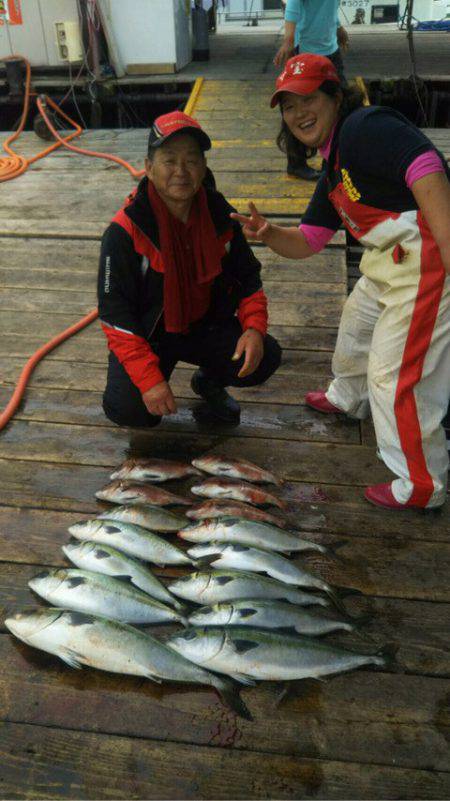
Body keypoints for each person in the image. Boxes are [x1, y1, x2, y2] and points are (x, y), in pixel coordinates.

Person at [232, 54, 450, 510]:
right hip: (390, 265)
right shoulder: (333, 167)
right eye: (289, 107)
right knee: (356, 325)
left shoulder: (364, 126)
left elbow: (426, 165)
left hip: (429, 263)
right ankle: (348, 396)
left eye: (309, 99)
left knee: (395, 378)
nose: (298, 114)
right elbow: (309, 241)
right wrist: (270, 234)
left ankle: (422, 485)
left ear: (336, 96)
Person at [98, 111, 281, 429]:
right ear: (148, 167)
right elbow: (115, 314)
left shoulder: (222, 215)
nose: (181, 171)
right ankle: (151, 379)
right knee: (130, 411)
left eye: (192, 160)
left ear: (203, 168)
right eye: (169, 160)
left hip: (203, 326)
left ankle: (208, 381)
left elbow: (248, 278)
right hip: (150, 335)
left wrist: (253, 329)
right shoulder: (124, 231)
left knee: (265, 355)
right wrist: (149, 380)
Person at [274, 0, 348, 181]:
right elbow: (292, 5)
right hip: (306, 49)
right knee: (298, 109)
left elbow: (329, 8)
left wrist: (339, 29)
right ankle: (296, 163)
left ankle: (330, 159)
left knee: (341, 106)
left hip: (331, 49)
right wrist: (288, 41)